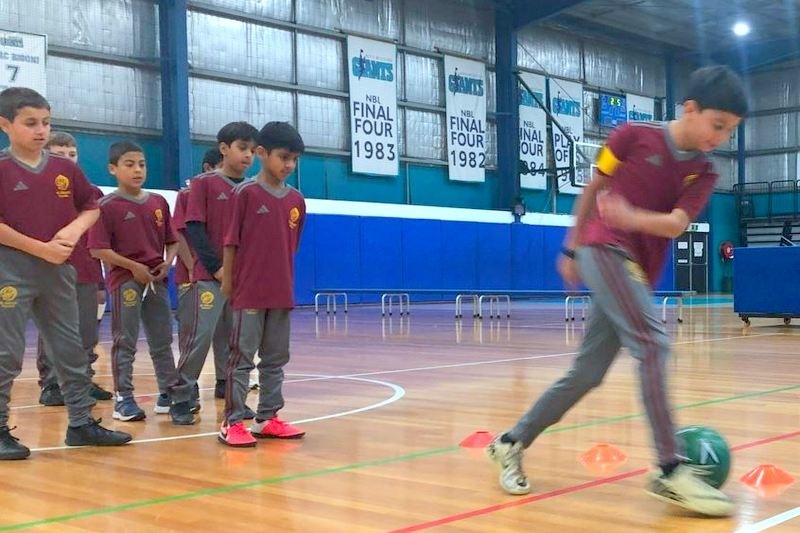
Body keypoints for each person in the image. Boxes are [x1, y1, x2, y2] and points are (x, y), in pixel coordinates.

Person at [486, 66, 748, 517]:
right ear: (691, 109)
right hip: (602, 248)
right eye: (717, 124)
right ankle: (670, 469)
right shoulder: (631, 137)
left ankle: (510, 442)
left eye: (730, 131)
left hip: (636, 265)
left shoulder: (703, 172)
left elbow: (675, 224)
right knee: (652, 344)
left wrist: (632, 218)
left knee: (587, 373)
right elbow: (594, 188)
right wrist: (570, 247)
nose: (720, 137)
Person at [0, 87, 131, 459]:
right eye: (30, 123)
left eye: (46, 122)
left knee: (71, 349)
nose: (40, 130)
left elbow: (90, 207)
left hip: (59, 273)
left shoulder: (65, 170)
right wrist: (40, 247)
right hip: (11, 271)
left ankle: (80, 422)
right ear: (5, 125)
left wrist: (72, 232)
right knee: (6, 352)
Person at [87, 141, 191, 425]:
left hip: (157, 280)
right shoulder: (105, 206)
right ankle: (124, 398)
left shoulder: (158, 202)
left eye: (141, 164)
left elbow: (173, 241)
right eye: (129, 164)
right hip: (126, 280)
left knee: (162, 340)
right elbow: (97, 249)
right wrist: (133, 266)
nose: (137, 170)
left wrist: (167, 263)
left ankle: (169, 393)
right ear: (113, 169)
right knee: (126, 340)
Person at [218, 121, 306, 447]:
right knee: (241, 358)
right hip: (248, 291)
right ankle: (233, 422)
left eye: (294, 160)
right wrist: (229, 282)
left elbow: (290, 245)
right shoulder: (245, 194)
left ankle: (267, 418)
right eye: (283, 157)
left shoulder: (297, 201)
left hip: (281, 292)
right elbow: (230, 243)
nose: (289, 165)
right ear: (261, 153)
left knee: (275, 359)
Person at [170, 125, 259, 423]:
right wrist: (218, 268)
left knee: (236, 340)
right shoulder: (203, 184)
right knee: (199, 337)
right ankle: (181, 398)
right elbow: (194, 229)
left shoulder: (251, 189)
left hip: (240, 280)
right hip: (209, 276)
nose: (248, 155)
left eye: (252, 150)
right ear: (223, 149)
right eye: (242, 147)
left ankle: (232, 394)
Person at [37, 131, 112, 406]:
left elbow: (99, 238)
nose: (67, 160)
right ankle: (51, 384)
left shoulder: (92, 193)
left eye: (72, 154)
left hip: (87, 271)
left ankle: (83, 380)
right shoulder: (39, 188)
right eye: (59, 155)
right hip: (53, 268)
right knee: (54, 330)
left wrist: (101, 280)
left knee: (87, 332)